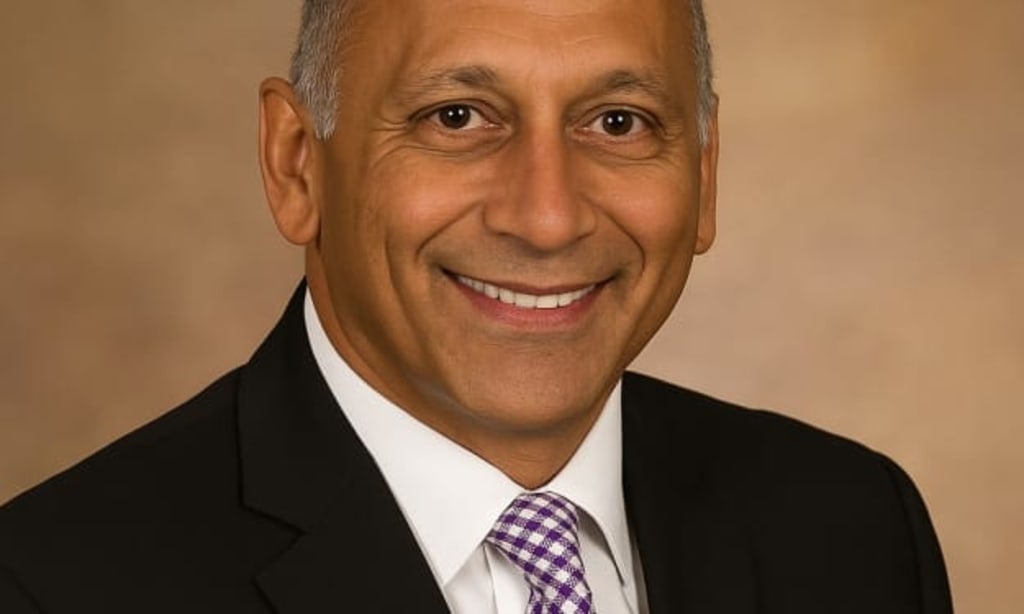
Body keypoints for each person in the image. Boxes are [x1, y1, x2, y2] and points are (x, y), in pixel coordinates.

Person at [0, 0, 953, 612]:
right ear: (296, 165)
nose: (547, 217)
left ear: (703, 179)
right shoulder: (52, 584)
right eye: (455, 118)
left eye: (617, 122)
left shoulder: (853, 530)